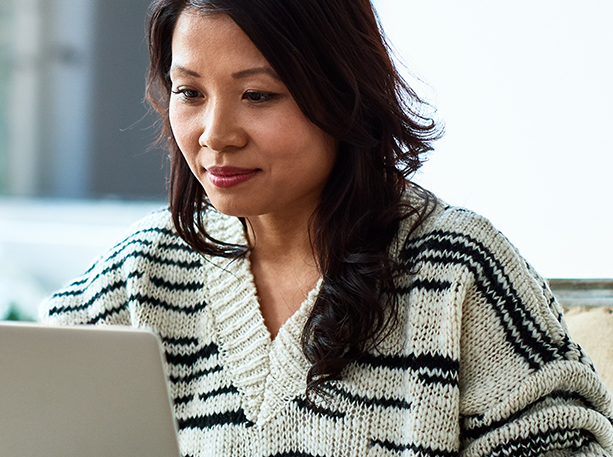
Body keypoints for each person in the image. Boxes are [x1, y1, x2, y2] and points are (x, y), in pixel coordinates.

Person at [38, 0, 613, 455]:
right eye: (189, 92)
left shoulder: (460, 270)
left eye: (258, 95)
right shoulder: (141, 271)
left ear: (341, 90)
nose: (215, 134)